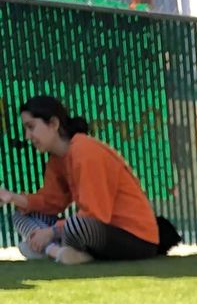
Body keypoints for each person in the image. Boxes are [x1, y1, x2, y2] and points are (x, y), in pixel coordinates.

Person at [0, 95, 179, 266]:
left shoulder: (84, 151)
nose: (27, 136)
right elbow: (50, 203)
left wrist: (50, 232)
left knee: (77, 226)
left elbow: (95, 215)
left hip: (134, 238)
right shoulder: (56, 160)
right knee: (23, 214)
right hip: (96, 231)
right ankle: (56, 250)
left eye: (31, 127)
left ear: (54, 123)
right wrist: (12, 198)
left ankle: (52, 249)